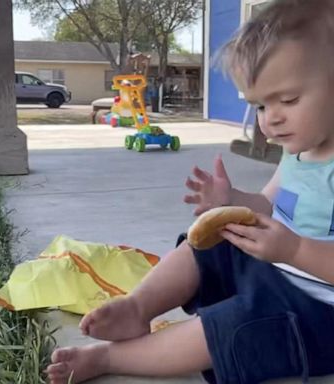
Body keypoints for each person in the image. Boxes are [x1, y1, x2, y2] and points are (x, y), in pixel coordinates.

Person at [47, 0, 334, 383]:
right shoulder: (298, 152)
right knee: (208, 243)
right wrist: (234, 201)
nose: (271, 120)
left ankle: (110, 359)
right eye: (260, 105)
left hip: (318, 313)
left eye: (288, 100)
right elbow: (269, 202)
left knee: (229, 327)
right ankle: (139, 306)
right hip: (277, 269)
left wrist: (296, 249)